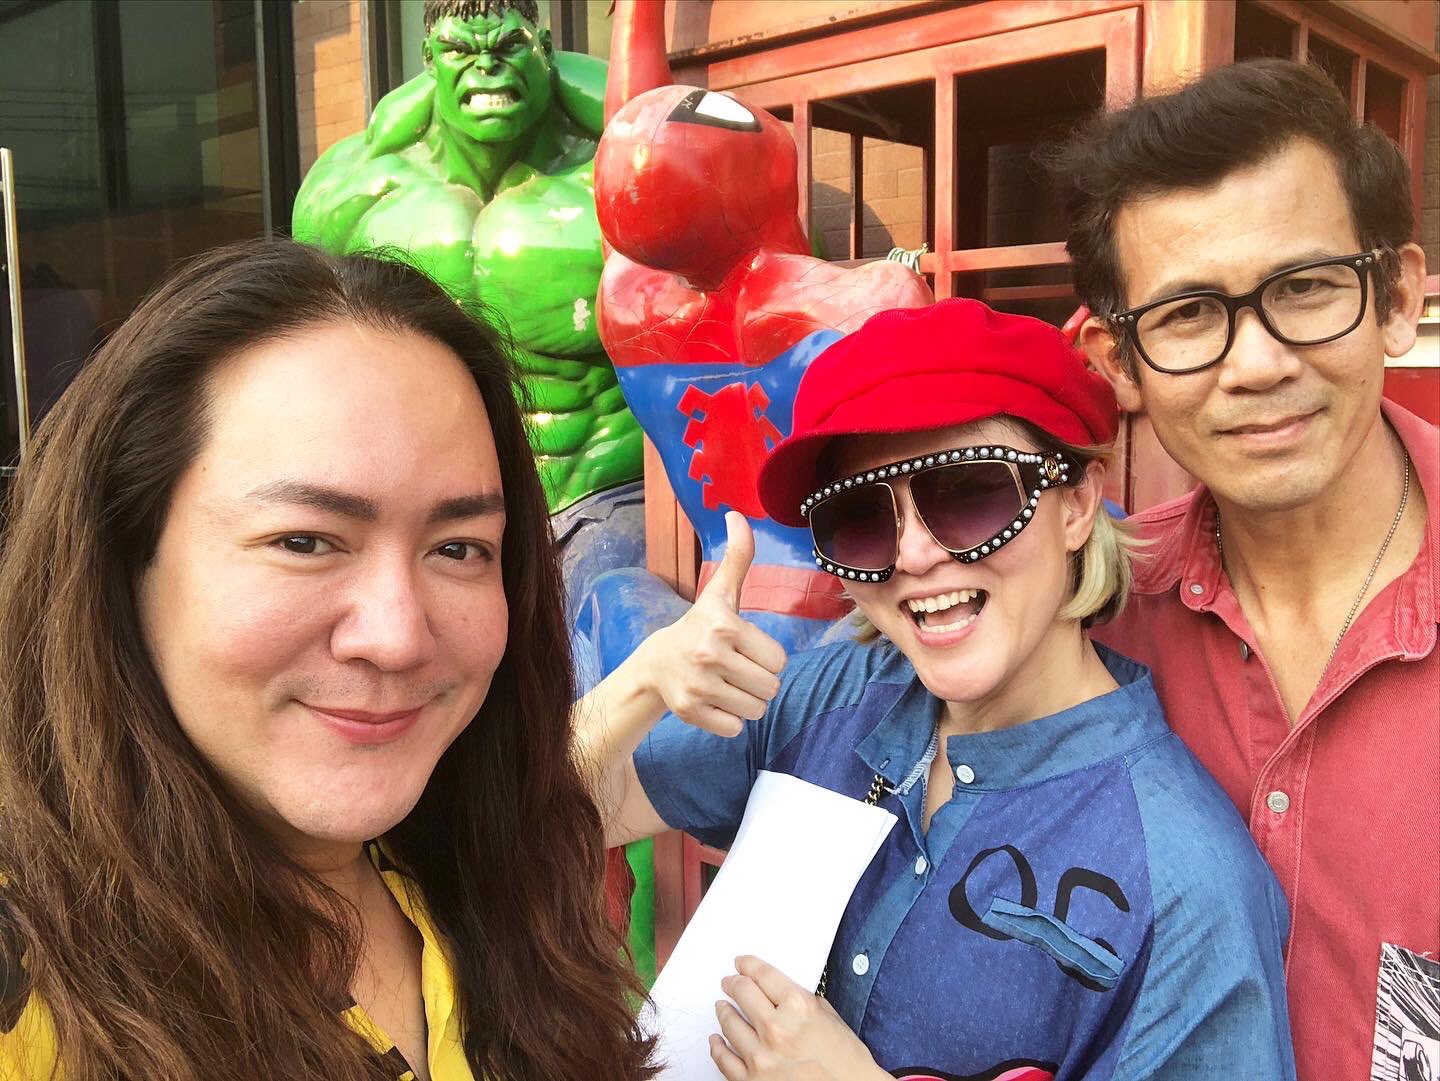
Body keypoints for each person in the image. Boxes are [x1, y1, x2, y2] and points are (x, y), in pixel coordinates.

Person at [578, 299, 1295, 1080]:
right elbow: (550, 807)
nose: (915, 554)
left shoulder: (1184, 884)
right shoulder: (830, 695)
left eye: (968, 493)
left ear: (1077, 505)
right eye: (861, 518)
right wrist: (644, 680)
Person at [0, 239, 655, 1081]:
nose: (397, 636)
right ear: (126, 560)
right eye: (304, 541)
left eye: (458, 548)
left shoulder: (482, 879)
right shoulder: (29, 973)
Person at [1049, 59, 1437, 1081]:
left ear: (1396, 297)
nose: (1258, 364)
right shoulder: (1084, 616)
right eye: (1187, 314)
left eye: (1304, 289)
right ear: (1118, 364)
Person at [293, 0, 642, 517]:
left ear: (545, 51)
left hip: (600, 490)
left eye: (509, 46)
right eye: (460, 50)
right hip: (426, 505)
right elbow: (311, 357)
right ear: (428, 59)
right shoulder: (349, 190)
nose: (486, 68)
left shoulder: (622, 173)